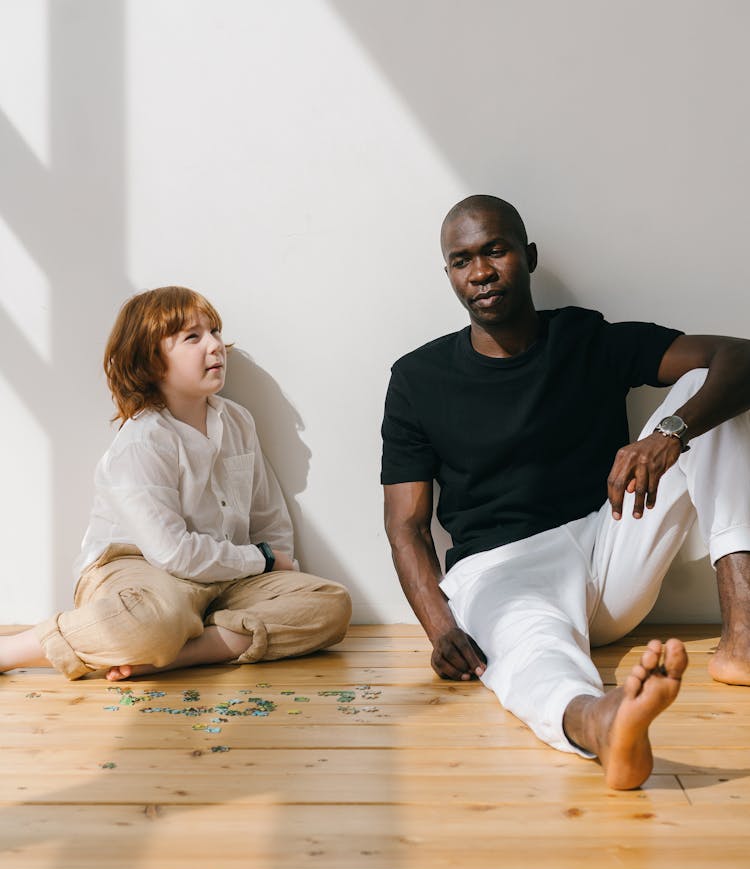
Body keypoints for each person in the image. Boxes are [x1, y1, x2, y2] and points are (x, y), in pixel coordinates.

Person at [381, 195, 750, 789]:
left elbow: (740, 355)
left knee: (713, 386)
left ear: (527, 257)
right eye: (461, 260)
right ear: (449, 273)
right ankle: (599, 721)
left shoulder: (586, 337)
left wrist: (671, 435)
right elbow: (406, 525)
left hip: (610, 541)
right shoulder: (417, 378)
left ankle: (744, 638)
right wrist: (440, 628)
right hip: (502, 571)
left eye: (494, 251)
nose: (480, 272)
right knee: (532, 650)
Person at [0, 286, 351, 681]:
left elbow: (269, 517)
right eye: (192, 337)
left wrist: (276, 569)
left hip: (227, 577)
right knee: (148, 622)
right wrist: (264, 559)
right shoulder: (142, 442)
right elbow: (172, 554)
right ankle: (13, 649)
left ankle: (183, 652)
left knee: (330, 603)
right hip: (142, 572)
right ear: (151, 362)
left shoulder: (237, 422)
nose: (215, 346)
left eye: (215, 331)